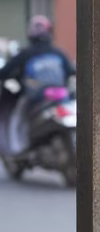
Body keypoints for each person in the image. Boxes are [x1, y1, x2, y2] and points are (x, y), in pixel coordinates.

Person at [0, 16, 75, 154]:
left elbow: (5, 71)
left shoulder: (26, 54)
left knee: (17, 118)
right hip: (61, 96)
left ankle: (16, 149)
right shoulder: (58, 53)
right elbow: (71, 71)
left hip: (36, 99)